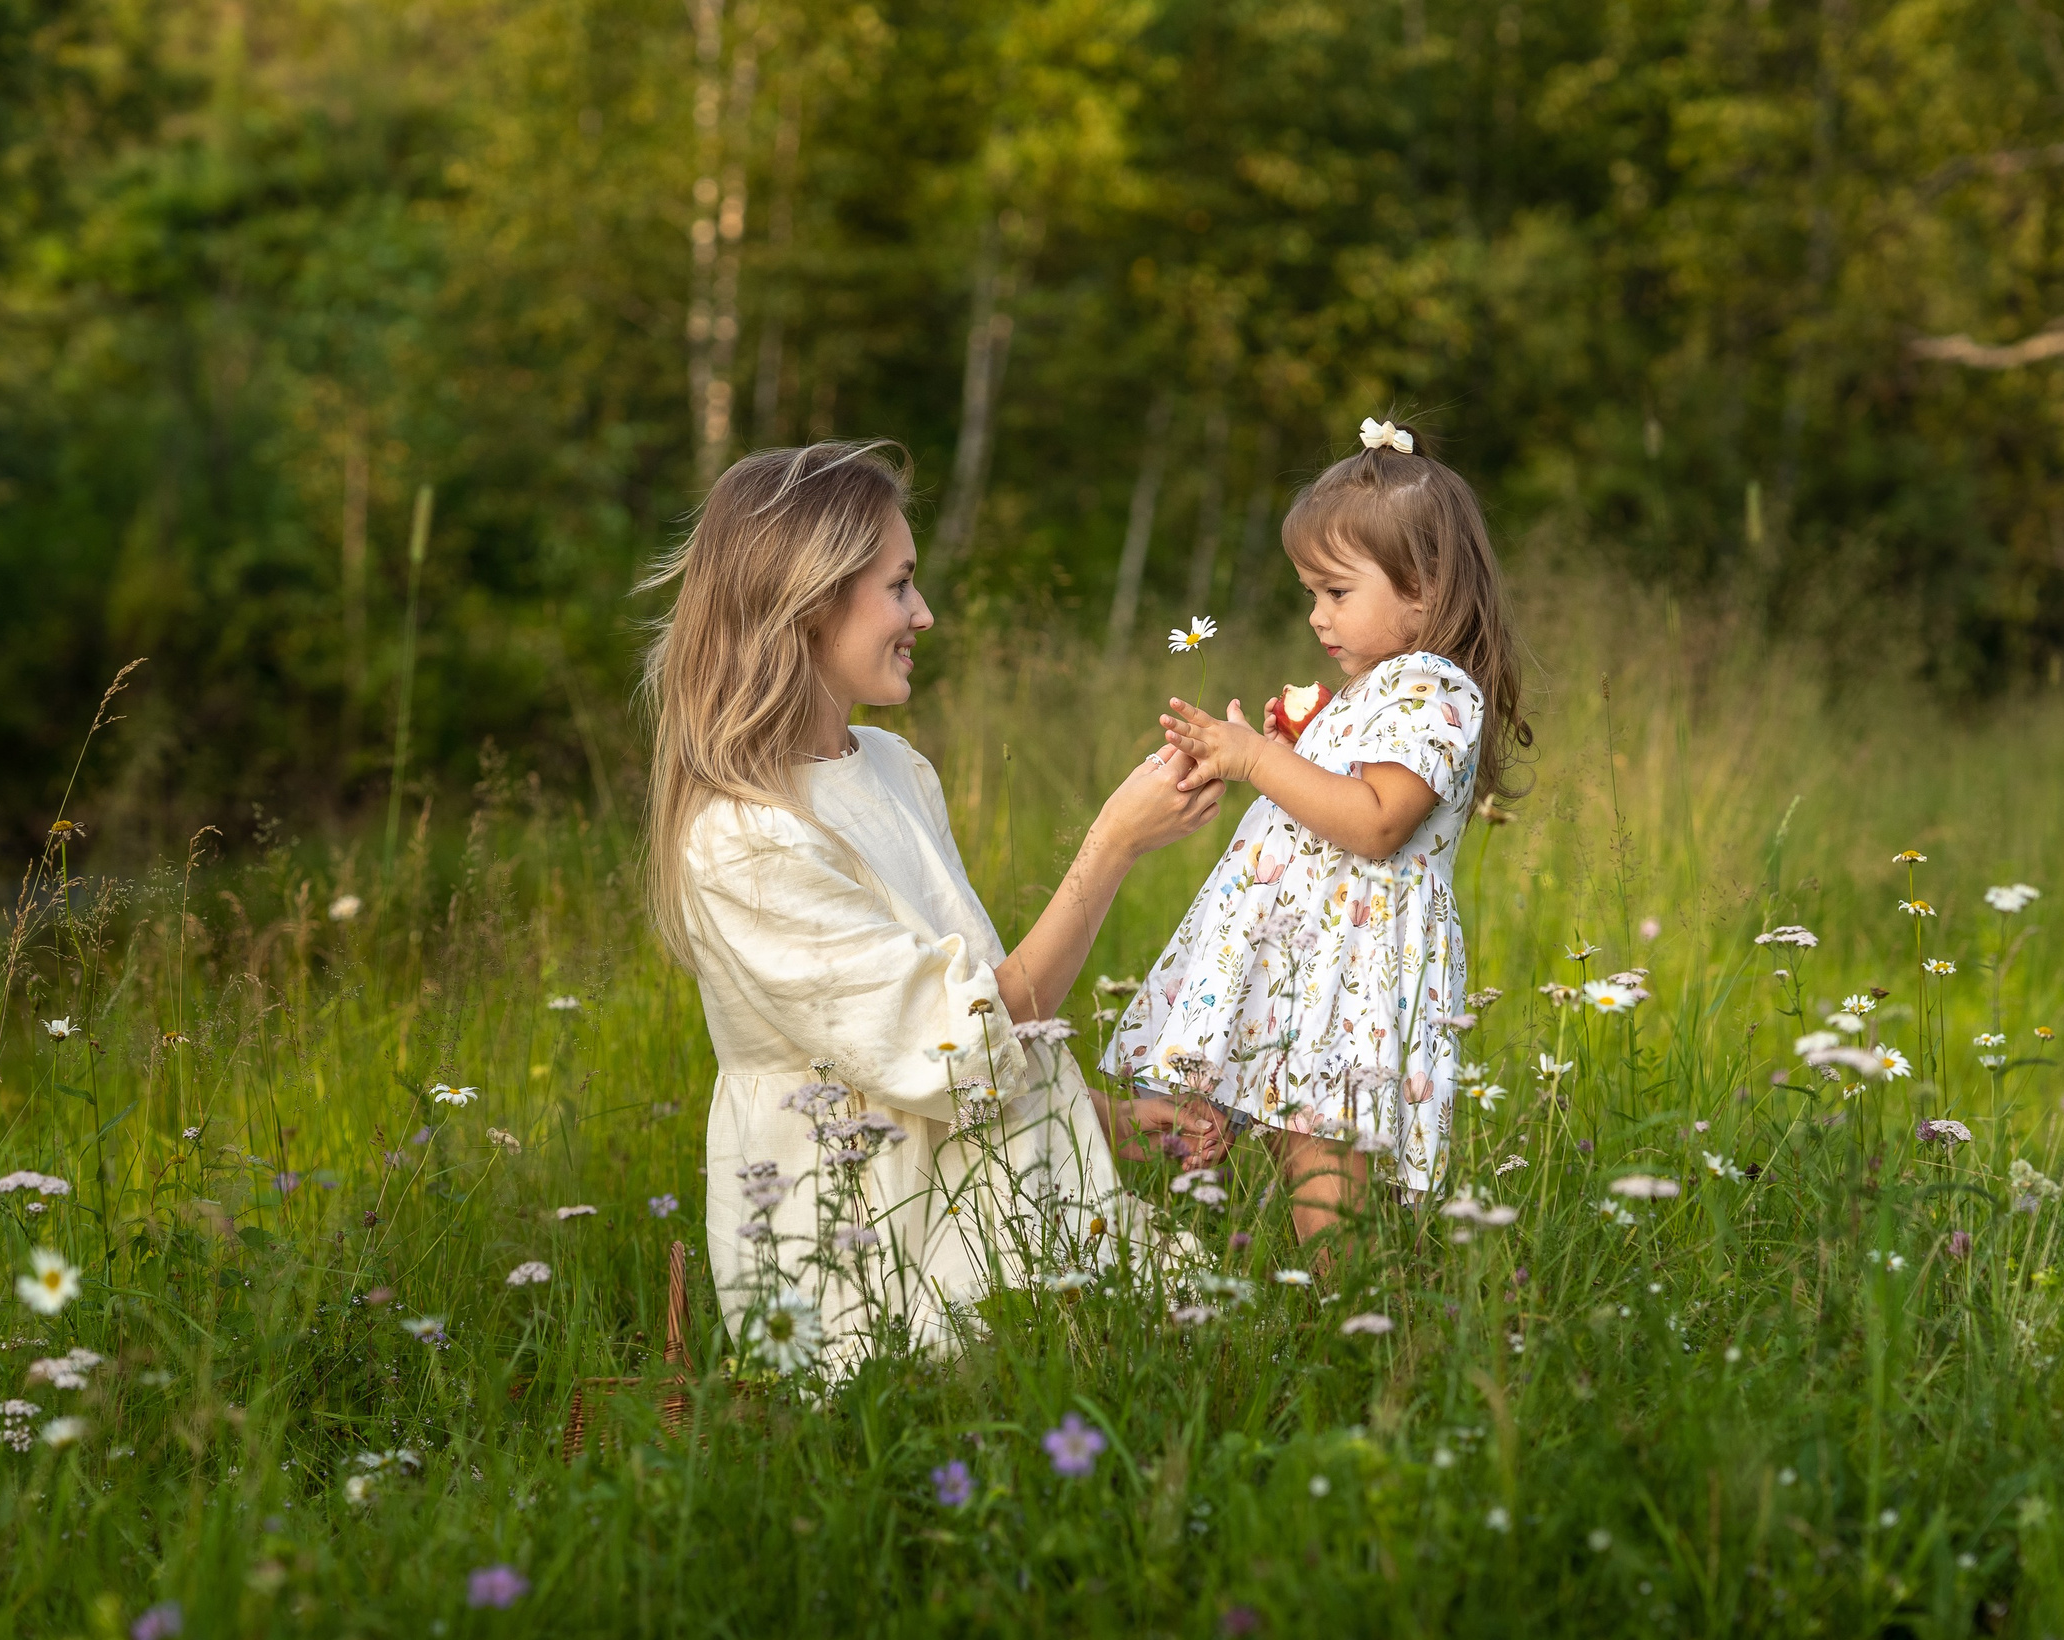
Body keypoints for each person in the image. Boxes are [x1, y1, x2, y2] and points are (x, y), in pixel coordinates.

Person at [645, 440, 1227, 1368]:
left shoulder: (893, 769)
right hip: (864, 1236)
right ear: (808, 602)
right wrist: (1113, 844)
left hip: (982, 1186)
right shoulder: (745, 836)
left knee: (1208, 1333)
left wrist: (1106, 1122)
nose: (925, 612)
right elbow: (954, 1044)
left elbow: (977, 1026)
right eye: (900, 584)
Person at [1099, 417, 1530, 1249]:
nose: (1317, 618)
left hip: (1358, 976)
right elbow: (1345, 797)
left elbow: (1375, 824)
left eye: (1337, 592)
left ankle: (1350, 1316)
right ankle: (1321, 1298)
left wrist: (1259, 760)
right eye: (1311, 594)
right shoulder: (1380, 688)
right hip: (1317, 962)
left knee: (1330, 1163)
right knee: (1302, 1143)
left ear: (1427, 588)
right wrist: (1304, 748)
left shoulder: (1433, 688)